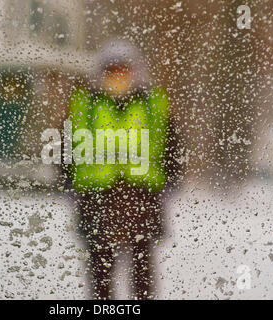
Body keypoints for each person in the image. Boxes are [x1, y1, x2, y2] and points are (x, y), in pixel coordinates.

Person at [67, 39, 170, 300]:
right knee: (100, 269)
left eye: (123, 72)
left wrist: (169, 181)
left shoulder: (153, 105)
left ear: (134, 73)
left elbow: (170, 145)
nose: (118, 78)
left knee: (141, 265)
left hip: (141, 194)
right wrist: (68, 181)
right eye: (112, 72)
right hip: (96, 195)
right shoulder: (84, 105)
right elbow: (67, 146)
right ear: (101, 74)